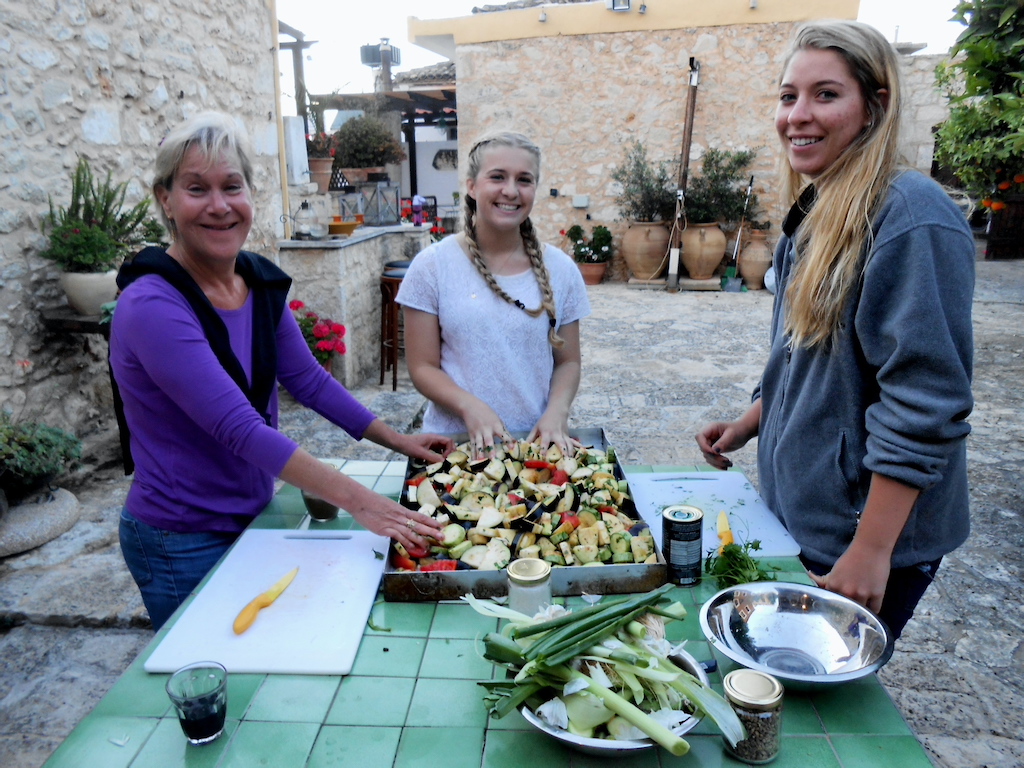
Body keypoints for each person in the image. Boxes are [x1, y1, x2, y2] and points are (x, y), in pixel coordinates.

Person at [110, 112, 451, 630]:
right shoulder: (153, 303)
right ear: (165, 200)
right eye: (196, 189)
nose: (220, 206)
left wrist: (396, 440)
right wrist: (362, 503)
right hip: (181, 535)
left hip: (252, 510)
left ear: (251, 194)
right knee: (208, 668)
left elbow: (308, 380)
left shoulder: (253, 283)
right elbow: (238, 428)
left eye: (232, 186)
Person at [696, 20, 974, 639]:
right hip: (808, 518)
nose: (798, 114)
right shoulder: (818, 208)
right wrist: (754, 418)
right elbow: (808, 356)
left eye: (826, 94)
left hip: (865, 536)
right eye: (788, 95)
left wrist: (871, 548)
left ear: (876, 106)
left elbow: (924, 402)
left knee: (814, 709)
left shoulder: (910, 218)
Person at [398, 131, 590, 455]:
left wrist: (557, 412)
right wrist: (468, 406)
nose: (511, 191)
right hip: (454, 449)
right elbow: (422, 367)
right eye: (497, 177)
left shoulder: (562, 270)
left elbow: (568, 362)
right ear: (472, 186)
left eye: (524, 180)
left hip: (535, 448)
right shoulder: (432, 267)